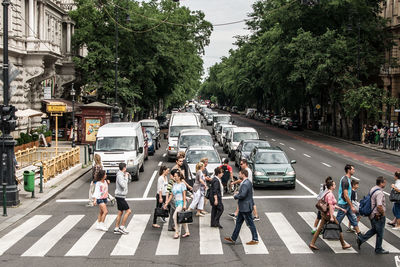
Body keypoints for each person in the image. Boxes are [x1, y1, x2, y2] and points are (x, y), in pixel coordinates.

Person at [309, 181, 352, 250]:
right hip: (328, 215)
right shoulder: (330, 195)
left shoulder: (327, 193)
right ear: (331, 186)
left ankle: (312, 243)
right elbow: (331, 206)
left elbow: (332, 205)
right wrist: (332, 217)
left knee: (319, 229)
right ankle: (343, 244)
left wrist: (341, 209)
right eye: (334, 184)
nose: (335, 185)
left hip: (325, 214)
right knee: (338, 227)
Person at [224, 169, 259, 245]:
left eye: (240, 174)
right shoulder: (248, 182)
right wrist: (239, 192)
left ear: (243, 174)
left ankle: (255, 239)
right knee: (238, 223)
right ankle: (233, 238)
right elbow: (245, 193)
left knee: (250, 224)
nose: (239, 175)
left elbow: (243, 195)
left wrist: (236, 196)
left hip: (245, 207)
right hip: (244, 207)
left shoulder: (245, 184)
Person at [357, 176, 388, 254]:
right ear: (381, 183)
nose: (385, 183)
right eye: (384, 182)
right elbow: (379, 206)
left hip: (371, 214)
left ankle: (361, 239)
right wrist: (383, 214)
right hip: (378, 215)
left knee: (374, 229)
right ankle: (378, 249)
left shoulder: (373, 188)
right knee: (380, 232)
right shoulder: (379, 193)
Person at [336, 164, 362, 237]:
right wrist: (351, 206)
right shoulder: (345, 181)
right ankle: (329, 231)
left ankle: (359, 234)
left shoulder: (346, 179)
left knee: (353, 219)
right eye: (353, 169)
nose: (354, 170)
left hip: (347, 204)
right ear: (349, 170)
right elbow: (345, 195)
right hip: (344, 204)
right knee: (338, 220)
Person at [164, 170, 190, 239]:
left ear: (179, 177)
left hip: (181, 202)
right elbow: (171, 195)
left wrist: (184, 204)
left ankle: (177, 232)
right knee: (182, 217)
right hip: (176, 203)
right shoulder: (174, 185)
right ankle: (187, 231)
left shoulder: (182, 184)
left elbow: (184, 195)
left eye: (176, 176)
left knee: (174, 216)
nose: (174, 178)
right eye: (174, 176)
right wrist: (167, 202)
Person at [114, 163, 132, 235]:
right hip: (120, 196)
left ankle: (116, 228)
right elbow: (123, 185)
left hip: (120, 195)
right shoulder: (120, 176)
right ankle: (122, 227)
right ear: (124, 168)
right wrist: (126, 177)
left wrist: (127, 176)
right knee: (128, 211)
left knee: (120, 212)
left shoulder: (121, 174)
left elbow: (128, 182)